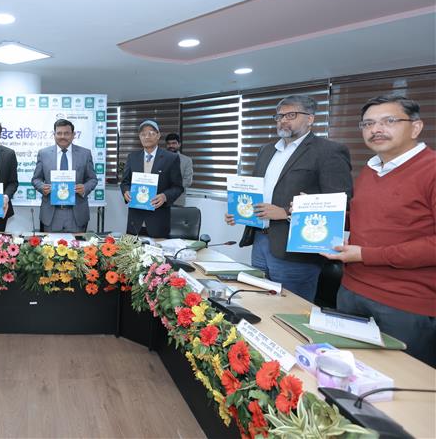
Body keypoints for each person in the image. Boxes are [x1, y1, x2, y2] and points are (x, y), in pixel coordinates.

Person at [322, 95, 435, 367]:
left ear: (416, 127)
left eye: (389, 121)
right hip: (351, 291)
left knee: (400, 383)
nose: (376, 129)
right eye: (368, 124)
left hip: (404, 305)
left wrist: (366, 255)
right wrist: (314, 214)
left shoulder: (431, 169)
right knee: (348, 373)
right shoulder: (371, 169)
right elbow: (363, 220)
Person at [225, 94, 352, 302]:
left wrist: (285, 213)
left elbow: (341, 200)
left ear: (310, 119)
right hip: (260, 240)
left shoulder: (328, 151)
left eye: (291, 115)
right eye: (279, 116)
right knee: (259, 302)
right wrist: (239, 212)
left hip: (296, 250)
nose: (283, 120)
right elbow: (259, 191)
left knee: (290, 308)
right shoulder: (266, 150)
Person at [31, 119, 98, 232]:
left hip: (76, 213)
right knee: (50, 244)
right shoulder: (43, 153)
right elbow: (36, 179)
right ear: (54, 135)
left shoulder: (85, 154)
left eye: (66, 133)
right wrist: (42, 187)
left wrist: (85, 188)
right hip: (51, 213)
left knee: (77, 243)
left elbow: (92, 179)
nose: (62, 136)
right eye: (59, 133)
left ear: (73, 135)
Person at [120, 120, 184, 238]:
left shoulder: (171, 158)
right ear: (139, 137)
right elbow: (125, 182)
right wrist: (126, 191)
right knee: (132, 249)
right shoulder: (132, 157)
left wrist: (165, 196)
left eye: (151, 133)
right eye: (143, 134)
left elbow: (178, 187)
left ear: (158, 135)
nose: (147, 136)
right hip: (135, 219)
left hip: (158, 218)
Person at [165, 132, 194, 205]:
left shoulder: (187, 160)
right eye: (168, 143)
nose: (171, 146)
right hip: (160, 199)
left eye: (174, 143)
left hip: (178, 199)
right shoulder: (160, 159)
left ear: (179, 144)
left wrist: (171, 190)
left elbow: (187, 181)